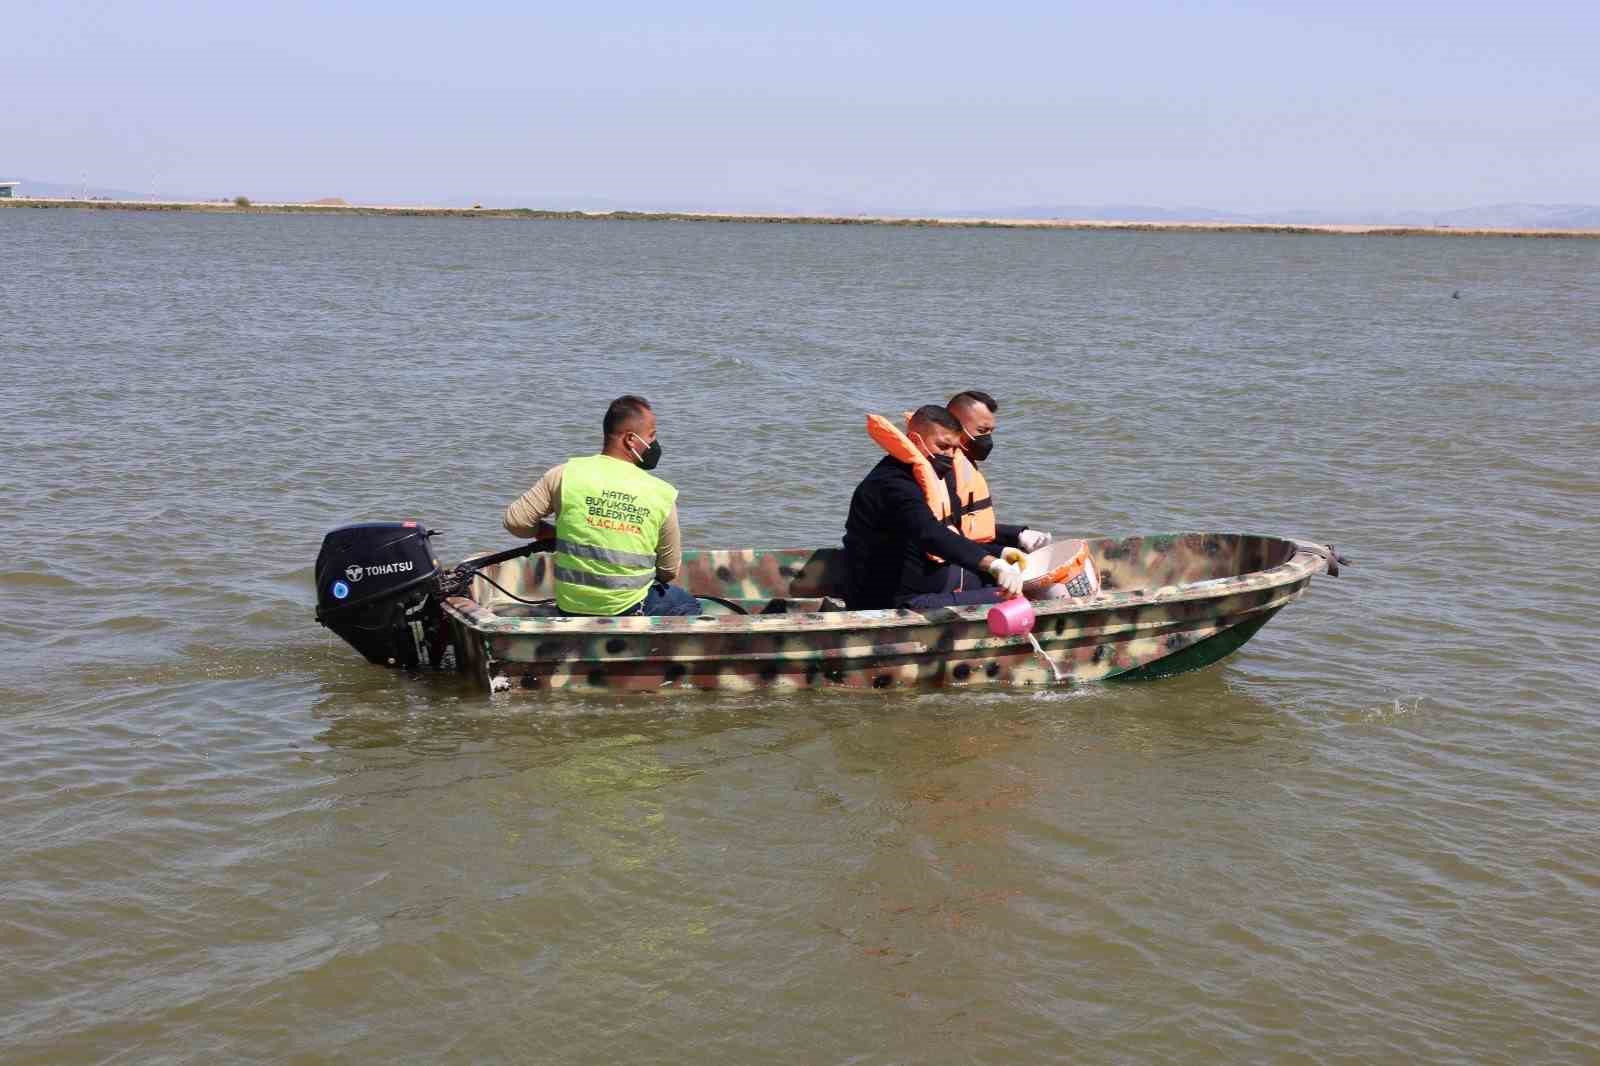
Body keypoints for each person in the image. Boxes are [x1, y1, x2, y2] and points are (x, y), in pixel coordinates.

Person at [503, 395, 700, 616]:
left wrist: (546, 531)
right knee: (687, 604)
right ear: (630, 440)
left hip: (571, 606)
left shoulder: (565, 474)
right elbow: (669, 570)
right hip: (629, 607)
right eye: (651, 436)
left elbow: (516, 521)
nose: (654, 445)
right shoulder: (661, 493)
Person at [843, 405, 1026, 610]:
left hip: (931, 582)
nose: (949, 455)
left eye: (954, 448)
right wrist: (993, 564)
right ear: (914, 440)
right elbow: (929, 533)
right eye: (942, 446)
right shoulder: (893, 484)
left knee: (1024, 579)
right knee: (1019, 598)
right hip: (896, 601)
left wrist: (1001, 552)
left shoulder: (925, 478)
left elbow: (953, 533)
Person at [945, 389, 1053, 555]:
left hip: (973, 552)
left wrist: (1018, 535)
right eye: (981, 431)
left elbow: (970, 527)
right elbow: (944, 537)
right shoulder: (942, 472)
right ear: (954, 426)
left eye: (990, 431)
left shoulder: (963, 461)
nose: (987, 440)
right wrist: (1000, 554)